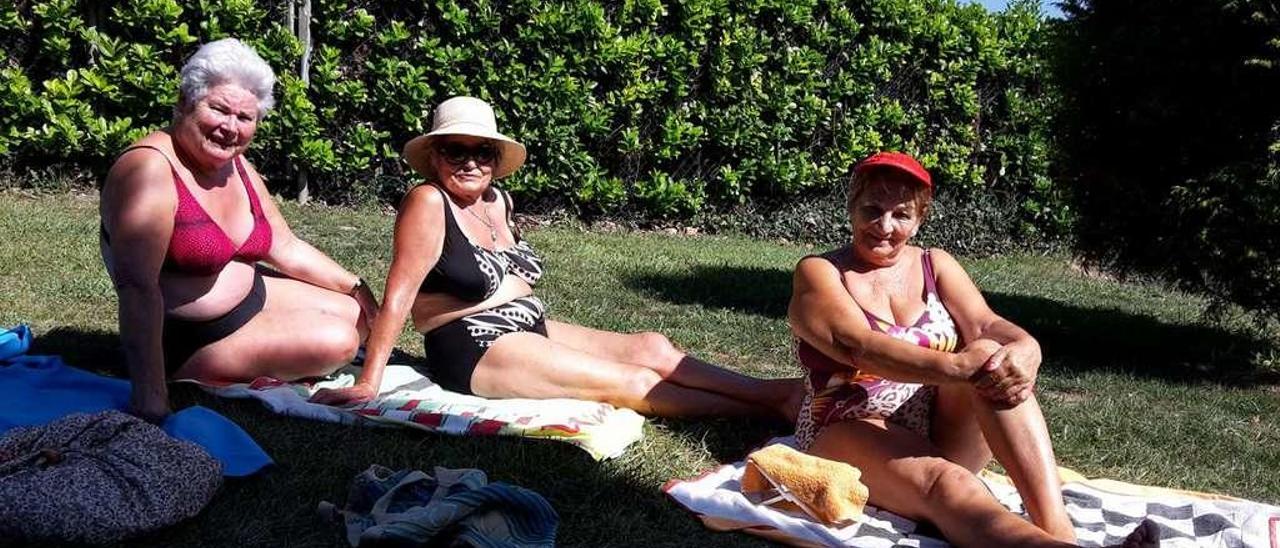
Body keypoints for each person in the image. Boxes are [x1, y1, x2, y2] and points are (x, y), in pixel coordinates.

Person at [310, 96, 798, 419]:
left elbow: (513, 280)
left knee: (653, 346)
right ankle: (764, 411)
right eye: (456, 151)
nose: (470, 162)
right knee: (632, 382)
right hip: (473, 347)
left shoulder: (497, 201)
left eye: (482, 152)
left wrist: (514, 297)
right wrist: (370, 382)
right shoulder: (427, 202)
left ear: (497, 160)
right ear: (435, 156)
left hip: (527, 326)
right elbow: (401, 296)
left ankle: (772, 391)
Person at [787, 152, 1159, 547]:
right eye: (872, 210)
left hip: (936, 425)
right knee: (949, 484)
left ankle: (1058, 532)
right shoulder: (820, 271)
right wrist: (958, 367)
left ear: (919, 219)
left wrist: (1026, 346)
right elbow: (858, 346)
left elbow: (985, 324)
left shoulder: (935, 263)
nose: (884, 226)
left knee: (994, 357)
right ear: (851, 208)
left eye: (901, 215)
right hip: (849, 427)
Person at [99, 38, 378, 423]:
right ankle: (181, 371)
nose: (230, 128)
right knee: (340, 341)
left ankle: (272, 338)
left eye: (245, 118)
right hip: (186, 337)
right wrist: (151, 396)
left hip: (251, 296)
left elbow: (283, 244)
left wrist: (360, 289)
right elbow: (137, 287)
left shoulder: (236, 165)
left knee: (356, 315)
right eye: (219, 110)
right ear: (185, 101)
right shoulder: (149, 170)